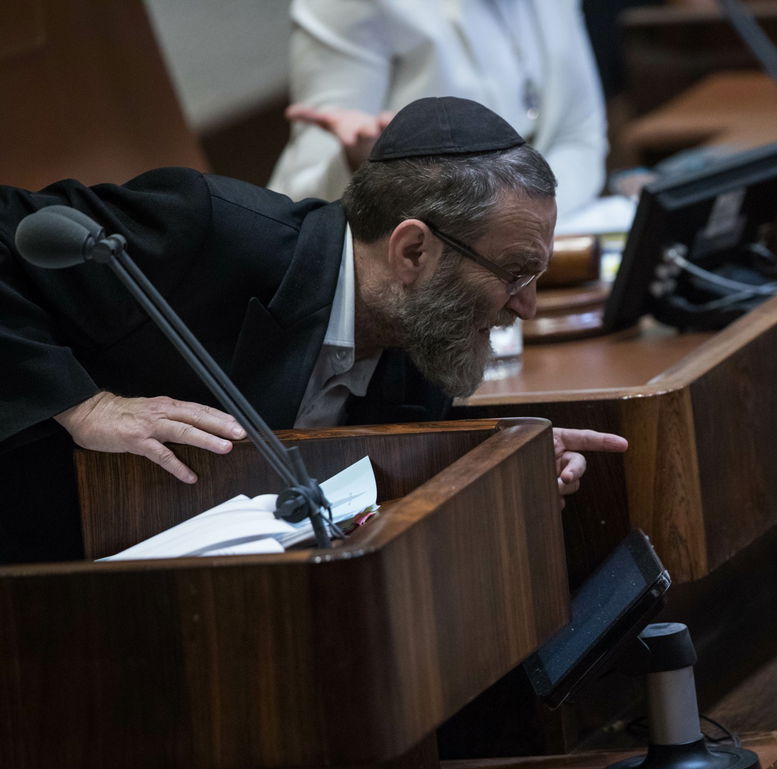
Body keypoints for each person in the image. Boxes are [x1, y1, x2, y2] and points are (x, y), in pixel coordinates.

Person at [0, 97, 624, 564]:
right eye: (515, 275)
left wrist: (496, 466)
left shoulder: (420, 346)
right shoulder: (210, 230)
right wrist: (84, 404)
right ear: (412, 252)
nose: (528, 308)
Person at [267, 0, 607, 218]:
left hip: (540, 245)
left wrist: (534, 236)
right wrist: (357, 164)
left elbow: (580, 134)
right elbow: (303, 204)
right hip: (420, 276)